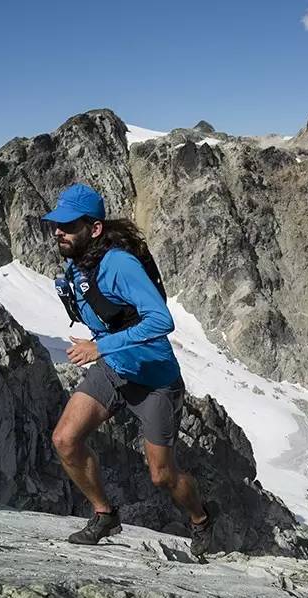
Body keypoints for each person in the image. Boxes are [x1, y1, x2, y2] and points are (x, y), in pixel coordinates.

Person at [45, 183, 215, 556]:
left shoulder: (119, 264)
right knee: (65, 440)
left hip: (154, 381)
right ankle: (105, 515)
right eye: (56, 223)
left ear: (94, 229)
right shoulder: (77, 263)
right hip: (112, 370)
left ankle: (202, 519)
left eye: (69, 224)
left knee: (162, 475)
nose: (59, 230)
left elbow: (161, 320)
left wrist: (99, 347)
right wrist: (102, 350)